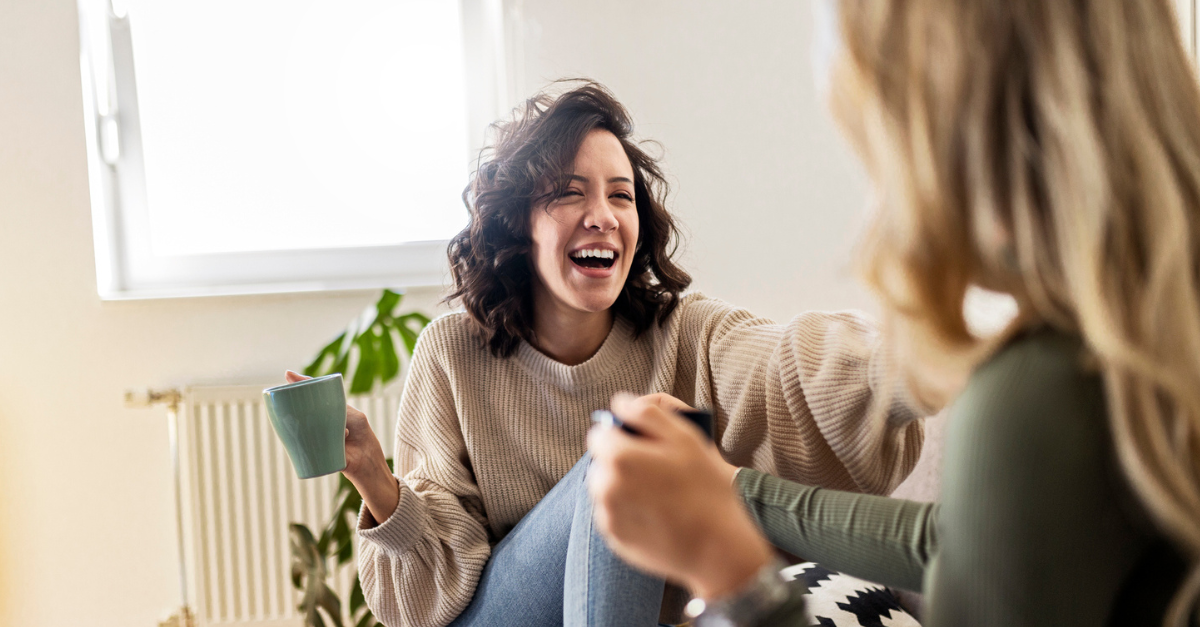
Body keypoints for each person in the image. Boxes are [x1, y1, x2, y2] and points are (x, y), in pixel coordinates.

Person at [586, 1, 1200, 625]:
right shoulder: (1154, 335)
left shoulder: (1036, 390)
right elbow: (963, 543)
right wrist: (738, 493)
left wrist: (731, 575)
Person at [284, 81, 926, 627]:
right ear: (520, 222)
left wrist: (928, 357)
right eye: (569, 192)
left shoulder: (686, 333)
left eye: (620, 195)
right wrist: (375, 478)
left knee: (635, 442)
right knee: (625, 452)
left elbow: (785, 366)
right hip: (499, 614)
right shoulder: (452, 350)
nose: (603, 215)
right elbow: (434, 588)